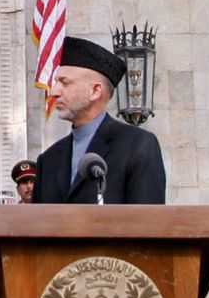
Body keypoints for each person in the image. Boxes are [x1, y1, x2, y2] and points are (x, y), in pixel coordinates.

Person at [32, 37, 166, 206]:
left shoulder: (138, 145)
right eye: (56, 82)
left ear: (95, 91)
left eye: (65, 83)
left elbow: (150, 223)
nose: (54, 92)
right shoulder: (48, 160)